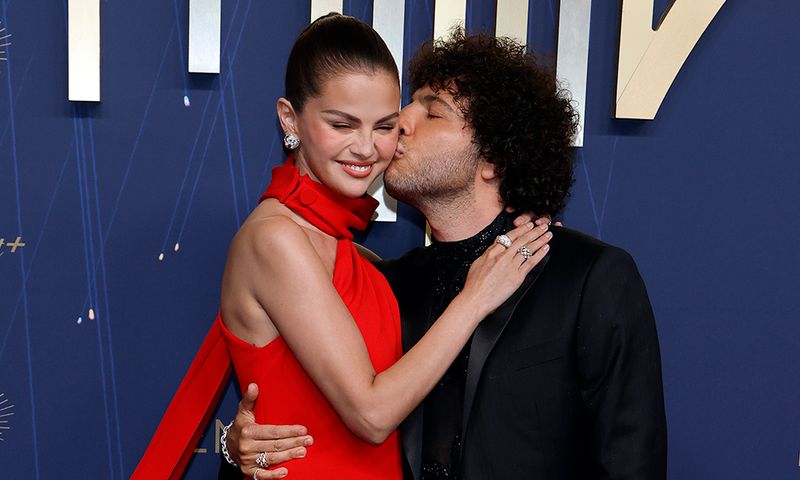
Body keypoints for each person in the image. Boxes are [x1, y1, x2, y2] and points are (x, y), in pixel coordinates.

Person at [222, 30, 667, 480]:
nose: (400, 126)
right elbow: (301, 414)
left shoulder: (587, 278)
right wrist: (234, 446)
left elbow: (631, 464)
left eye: (431, 112)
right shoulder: (386, 283)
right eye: (402, 109)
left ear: (492, 158)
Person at [132, 15, 552, 480]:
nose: (366, 148)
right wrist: (474, 299)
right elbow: (371, 415)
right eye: (342, 124)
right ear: (290, 118)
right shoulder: (276, 238)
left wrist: (237, 443)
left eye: (384, 126)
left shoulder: (360, 259)